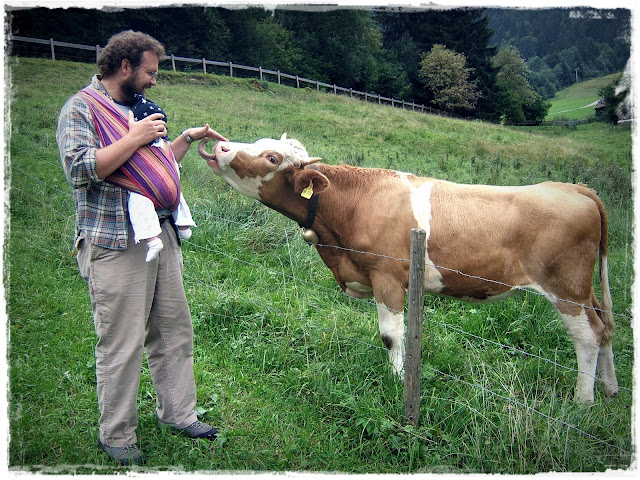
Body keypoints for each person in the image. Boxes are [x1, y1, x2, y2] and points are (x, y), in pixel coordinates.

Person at [56, 30, 227, 466]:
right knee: (122, 341)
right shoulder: (82, 108)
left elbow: (149, 167)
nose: (154, 80)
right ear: (125, 66)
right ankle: (116, 435)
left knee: (173, 329)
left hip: (160, 234)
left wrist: (184, 139)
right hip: (115, 240)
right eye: (150, 72)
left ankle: (179, 414)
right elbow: (79, 169)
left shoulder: (136, 110)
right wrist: (135, 136)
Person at [128, 94, 195, 262]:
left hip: (147, 189)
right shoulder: (162, 144)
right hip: (168, 184)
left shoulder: (139, 146)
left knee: (138, 204)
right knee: (178, 198)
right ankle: (183, 225)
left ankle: (153, 240)